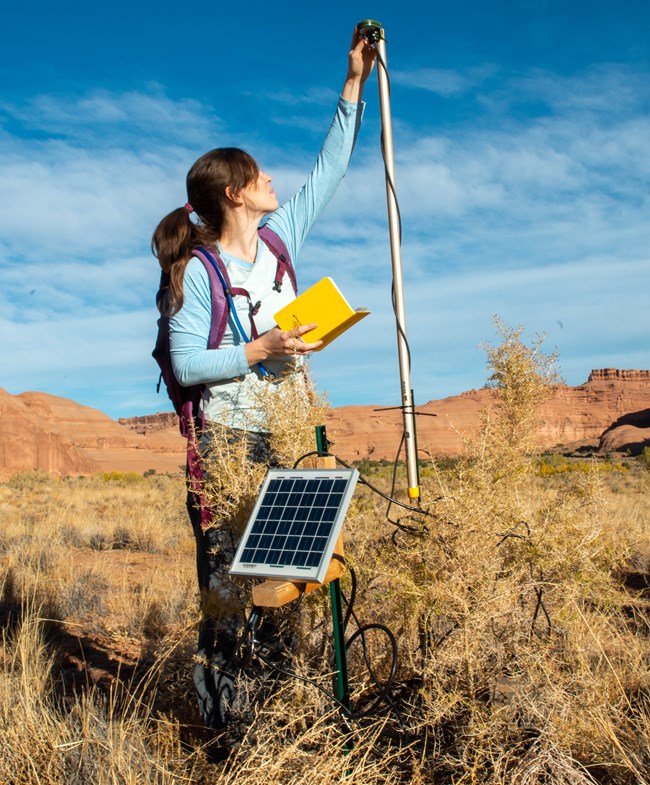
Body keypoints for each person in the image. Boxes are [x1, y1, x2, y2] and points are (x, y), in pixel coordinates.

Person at [151, 29, 375, 731]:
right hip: (225, 442)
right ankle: (224, 727)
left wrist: (352, 85)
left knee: (283, 577)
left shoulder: (281, 246)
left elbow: (328, 171)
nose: (275, 181)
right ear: (233, 193)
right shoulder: (196, 273)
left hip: (283, 432)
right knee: (225, 583)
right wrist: (259, 348)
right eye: (260, 176)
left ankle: (276, 711)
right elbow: (188, 365)